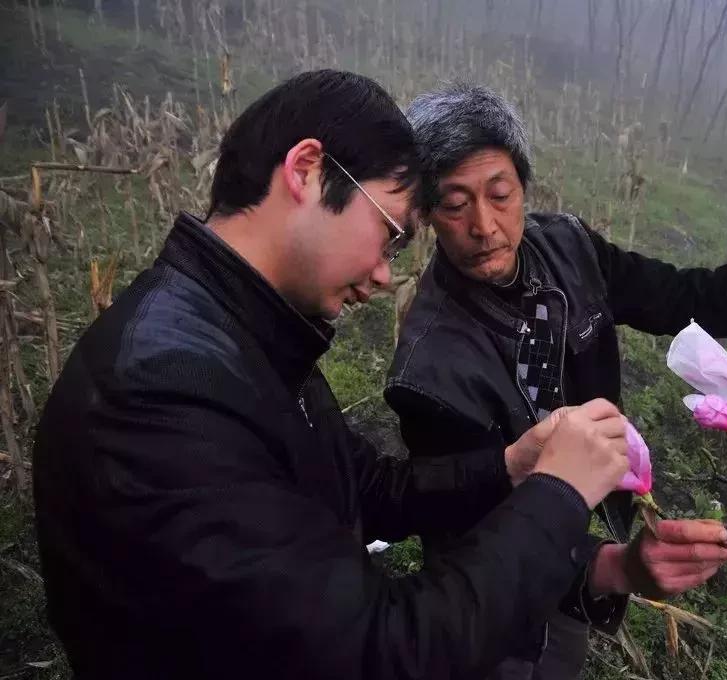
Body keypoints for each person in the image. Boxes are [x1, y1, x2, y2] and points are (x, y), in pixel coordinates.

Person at [30, 70, 635, 680]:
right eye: (389, 234)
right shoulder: (161, 393)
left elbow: (360, 486)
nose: (380, 275)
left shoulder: (244, 331)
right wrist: (559, 495)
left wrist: (512, 465)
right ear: (307, 171)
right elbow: (377, 651)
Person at [384, 82, 727, 679]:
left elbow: (678, 295)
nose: (484, 224)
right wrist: (613, 567)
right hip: (494, 596)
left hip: (584, 533)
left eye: (500, 194)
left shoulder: (567, 249)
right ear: (424, 213)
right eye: (454, 204)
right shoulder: (428, 371)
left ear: (523, 188)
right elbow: (472, 543)